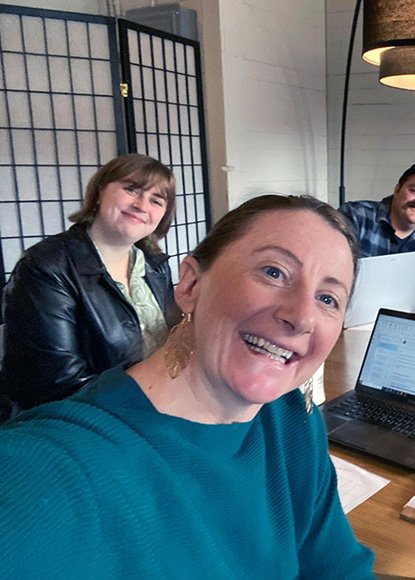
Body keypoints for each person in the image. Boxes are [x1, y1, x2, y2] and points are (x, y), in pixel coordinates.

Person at [0, 195, 375, 579]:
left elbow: (340, 568)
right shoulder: (51, 469)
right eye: (274, 272)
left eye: (327, 298)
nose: (301, 316)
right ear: (191, 284)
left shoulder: (293, 418)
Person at [2, 154, 178, 411]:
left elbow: (172, 348)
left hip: (152, 407)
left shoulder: (154, 266)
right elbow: (57, 383)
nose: (142, 205)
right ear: (99, 193)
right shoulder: (46, 266)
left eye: (156, 200)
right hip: (80, 420)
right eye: (131, 190)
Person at [339, 161, 415, 300]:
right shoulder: (356, 216)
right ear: (397, 189)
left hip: (394, 320)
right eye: (414, 190)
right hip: (346, 316)